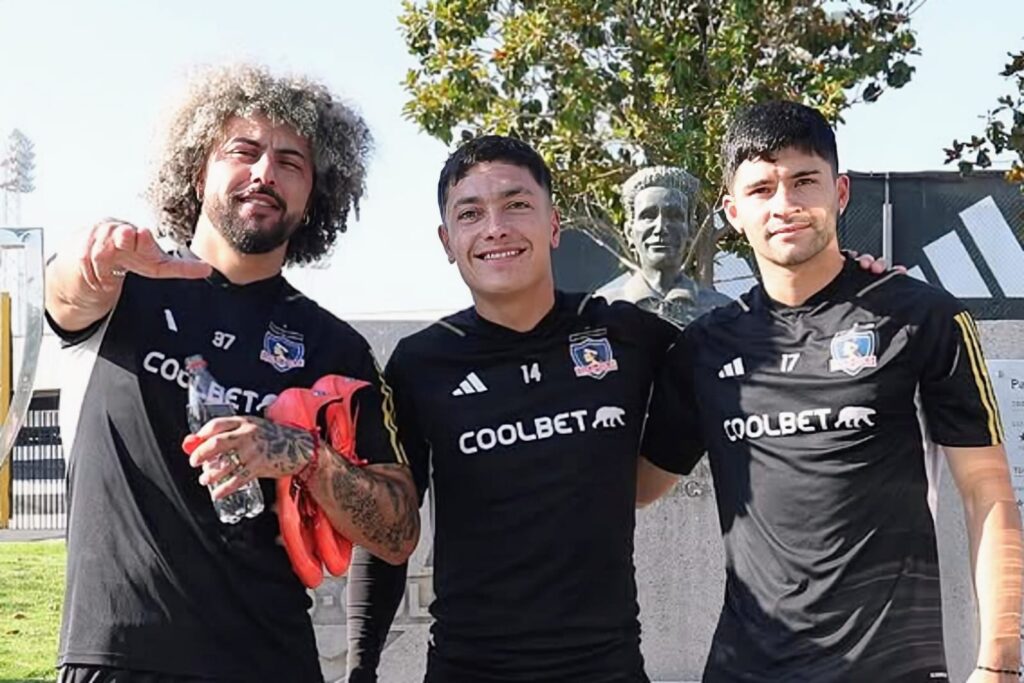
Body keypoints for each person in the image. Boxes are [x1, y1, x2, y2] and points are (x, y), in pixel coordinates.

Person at [343, 134, 899, 682]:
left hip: (606, 667)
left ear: (554, 224)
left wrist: (848, 281)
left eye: (517, 205)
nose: (496, 228)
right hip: (467, 668)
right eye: (471, 213)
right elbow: (387, 530)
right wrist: (360, 669)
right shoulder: (420, 364)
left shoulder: (625, 333)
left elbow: (753, 339)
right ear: (446, 240)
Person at [44, 64, 419, 683]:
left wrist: (302, 453)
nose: (265, 172)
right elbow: (66, 294)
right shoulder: (125, 286)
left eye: (291, 162)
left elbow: (399, 530)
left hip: (272, 662)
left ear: (314, 197)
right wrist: (91, 255)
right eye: (243, 151)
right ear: (199, 170)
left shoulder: (338, 348)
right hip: (115, 659)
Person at [639, 100, 1023, 682]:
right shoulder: (704, 346)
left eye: (804, 182)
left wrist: (999, 663)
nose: (785, 205)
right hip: (744, 671)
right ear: (732, 211)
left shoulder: (921, 319)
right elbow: (637, 486)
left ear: (839, 193)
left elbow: (988, 493)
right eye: (762, 188)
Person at [595, 165, 731, 326]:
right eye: (648, 216)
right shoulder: (601, 311)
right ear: (630, 233)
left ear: (691, 231)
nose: (661, 228)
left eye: (674, 216)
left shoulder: (723, 312)